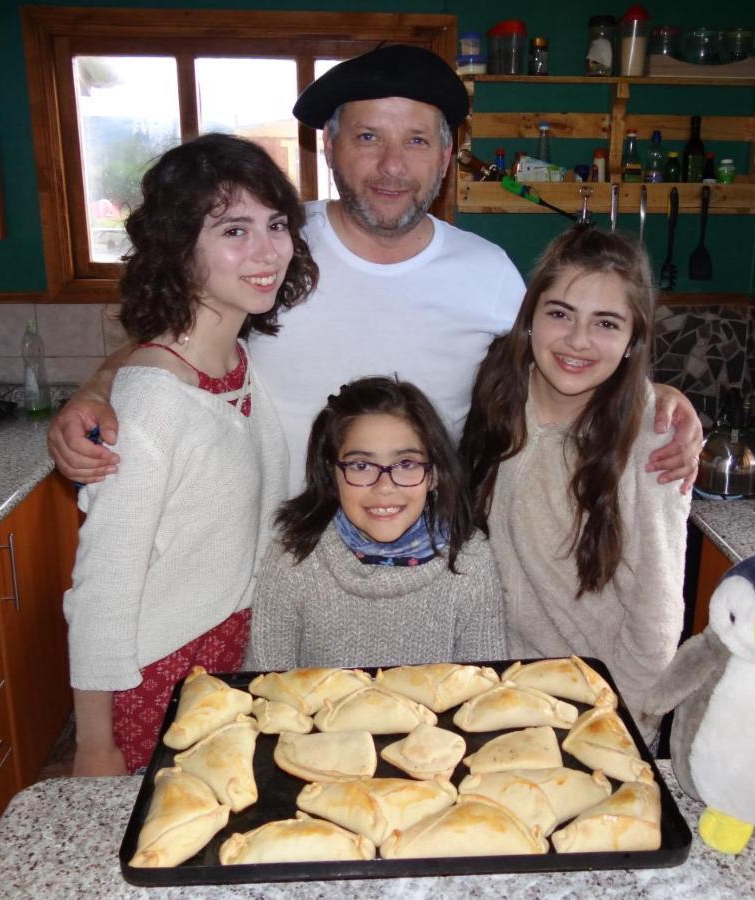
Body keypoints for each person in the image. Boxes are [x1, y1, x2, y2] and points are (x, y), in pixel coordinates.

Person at [47, 44, 703, 496]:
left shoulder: (489, 273)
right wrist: (96, 393)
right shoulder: (268, 250)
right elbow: (164, 348)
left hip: (426, 554)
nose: (392, 166)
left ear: (446, 159)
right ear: (329, 147)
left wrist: (660, 400)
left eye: (416, 141)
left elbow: (570, 373)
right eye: (368, 138)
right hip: (272, 554)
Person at [63, 134, 316, 776]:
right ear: (180, 251)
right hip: (160, 676)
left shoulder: (235, 359)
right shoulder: (153, 399)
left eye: (276, 224)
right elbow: (103, 588)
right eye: (235, 230)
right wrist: (95, 746)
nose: (267, 252)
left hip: (234, 655)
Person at [460, 225, 691, 744]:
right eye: (560, 313)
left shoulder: (653, 437)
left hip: (601, 706)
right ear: (530, 319)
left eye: (606, 323)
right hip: (500, 693)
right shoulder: (497, 396)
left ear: (634, 340)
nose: (578, 340)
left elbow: (656, 619)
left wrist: (622, 725)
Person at [247, 377, 504, 670]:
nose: (384, 486)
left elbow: (484, 692)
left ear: (434, 474)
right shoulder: (293, 558)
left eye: (406, 464)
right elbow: (267, 690)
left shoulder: (470, 560)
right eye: (361, 466)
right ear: (332, 473)